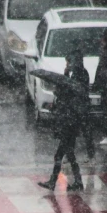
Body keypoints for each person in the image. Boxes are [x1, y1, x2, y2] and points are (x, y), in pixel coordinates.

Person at [38, 53, 84, 193]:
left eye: (68, 63)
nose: (66, 65)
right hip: (69, 125)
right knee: (69, 155)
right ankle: (77, 181)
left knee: (61, 155)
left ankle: (56, 182)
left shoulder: (71, 85)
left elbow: (68, 105)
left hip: (68, 126)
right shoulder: (69, 81)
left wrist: (59, 104)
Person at [65, 49, 95, 163]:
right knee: (83, 132)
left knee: (76, 132)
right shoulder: (81, 72)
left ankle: (88, 156)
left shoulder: (79, 73)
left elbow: (72, 88)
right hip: (80, 106)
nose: (67, 64)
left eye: (68, 62)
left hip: (78, 107)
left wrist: (66, 74)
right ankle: (89, 155)